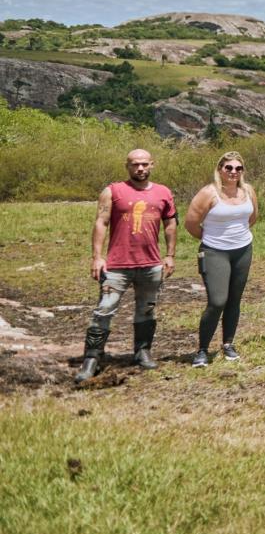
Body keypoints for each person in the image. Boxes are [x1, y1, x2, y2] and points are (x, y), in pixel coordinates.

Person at [75, 149, 177, 383]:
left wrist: (170, 255)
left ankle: (142, 352)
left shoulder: (163, 192)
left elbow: (170, 224)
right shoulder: (113, 191)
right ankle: (91, 358)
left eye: (144, 164)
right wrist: (97, 257)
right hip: (117, 264)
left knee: (147, 308)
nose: (140, 168)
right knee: (104, 308)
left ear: (152, 165)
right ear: (127, 166)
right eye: (135, 164)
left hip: (151, 263)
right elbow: (101, 222)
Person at [184, 151, 258, 366]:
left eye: (238, 168)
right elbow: (191, 223)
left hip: (242, 250)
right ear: (220, 170)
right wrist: (211, 239)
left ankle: (228, 344)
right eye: (229, 168)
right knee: (217, 301)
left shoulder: (248, 191)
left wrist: (237, 236)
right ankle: (202, 350)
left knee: (234, 299)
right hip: (215, 251)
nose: (234, 172)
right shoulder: (209, 193)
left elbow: (253, 217)